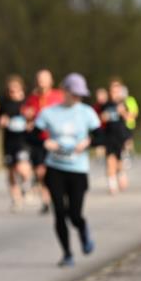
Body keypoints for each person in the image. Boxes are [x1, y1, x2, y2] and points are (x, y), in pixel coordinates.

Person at [34, 73, 101, 267]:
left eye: (81, 95)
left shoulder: (87, 112)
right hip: (55, 168)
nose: (78, 98)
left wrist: (88, 142)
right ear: (65, 91)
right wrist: (46, 142)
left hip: (78, 170)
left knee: (74, 214)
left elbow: (100, 136)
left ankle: (83, 229)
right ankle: (67, 253)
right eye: (75, 94)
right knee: (59, 213)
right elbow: (32, 136)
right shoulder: (49, 113)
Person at [23, 69, 65, 215]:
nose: (41, 82)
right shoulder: (32, 98)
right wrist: (28, 119)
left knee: (55, 171)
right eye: (39, 79)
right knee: (41, 172)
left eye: (44, 79)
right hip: (38, 140)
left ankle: (56, 197)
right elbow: (27, 116)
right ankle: (46, 200)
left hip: (55, 139)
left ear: (50, 81)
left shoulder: (58, 96)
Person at [0, 75, 33, 211]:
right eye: (11, 91)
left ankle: (26, 184)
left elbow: (35, 117)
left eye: (16, 90)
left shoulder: (27, 102)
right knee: (11, 171)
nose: (13, 93)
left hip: (23, 141)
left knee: (22, 169)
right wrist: (2, 121)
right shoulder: (4, 103)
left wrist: (30, 122)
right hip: (9, 141)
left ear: (21, 89)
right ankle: (16, 199)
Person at [100, 78, 136, 195]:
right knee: (110, 160)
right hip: (109, 136)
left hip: (121, 136)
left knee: (119, 162)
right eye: (112, 91)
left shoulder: (125, 103)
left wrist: (123, 112)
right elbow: (101, 119)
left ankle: (121, 175)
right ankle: (112, 185)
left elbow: (130, 118)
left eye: (116, 91)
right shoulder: (106, 104)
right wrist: (104, 117)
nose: (114, 93)